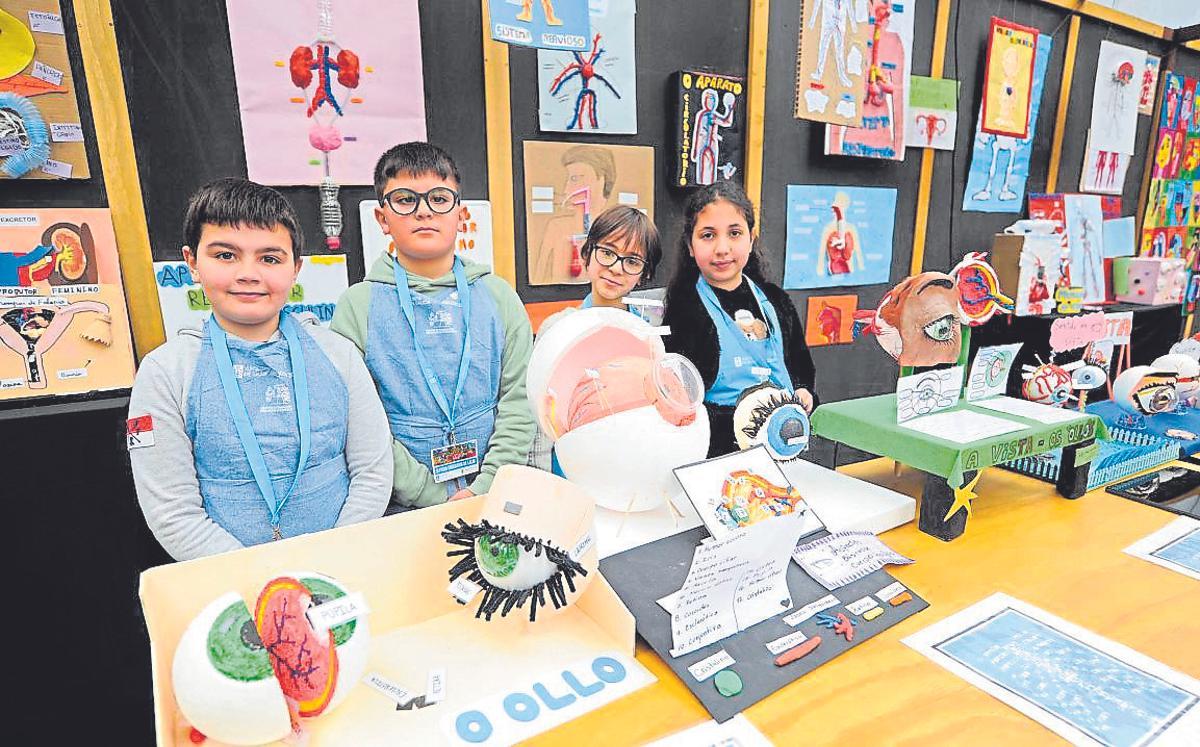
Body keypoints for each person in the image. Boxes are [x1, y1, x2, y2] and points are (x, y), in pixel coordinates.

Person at [128, 178, 392, 561]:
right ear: (192, 263)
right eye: (225, 256)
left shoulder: (339, 354)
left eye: (270, 258)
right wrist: (256, 576)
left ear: (296, 268)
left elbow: (373, 471)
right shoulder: (165, 373)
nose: (248, 273)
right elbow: (172, 512)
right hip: (230, 581)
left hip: (344, 566)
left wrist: (337, 558)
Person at [333, 142, 535, 509]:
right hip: (398, 504)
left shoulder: (500, 297)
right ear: (383, 218)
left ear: (460, 213)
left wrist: (486, 486)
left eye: (439, 199)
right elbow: (358, 422)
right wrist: (430, 494)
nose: (424, 212)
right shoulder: (357, 307)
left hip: (494, 493)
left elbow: (520, 402)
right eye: (405, 200)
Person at [662, 181, 817, 457]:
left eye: (734, 233)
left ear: (751, 238)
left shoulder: (776, 300)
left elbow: (802, 367)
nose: (722, 248)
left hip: (783, 447)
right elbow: (680, 399)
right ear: (690, 244)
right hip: (715, 454)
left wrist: (805, 392)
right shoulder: (684, 308)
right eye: (708, 236)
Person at [528, 205, 663, 472]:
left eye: (632, 261)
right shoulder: (558, 329)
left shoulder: (650, 334)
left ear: (644, 274)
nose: (616, 268)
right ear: (588, 253)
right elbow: (539, 419)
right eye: (607, 253)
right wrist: (540, 477)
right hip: (569, 469)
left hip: (629, 468)